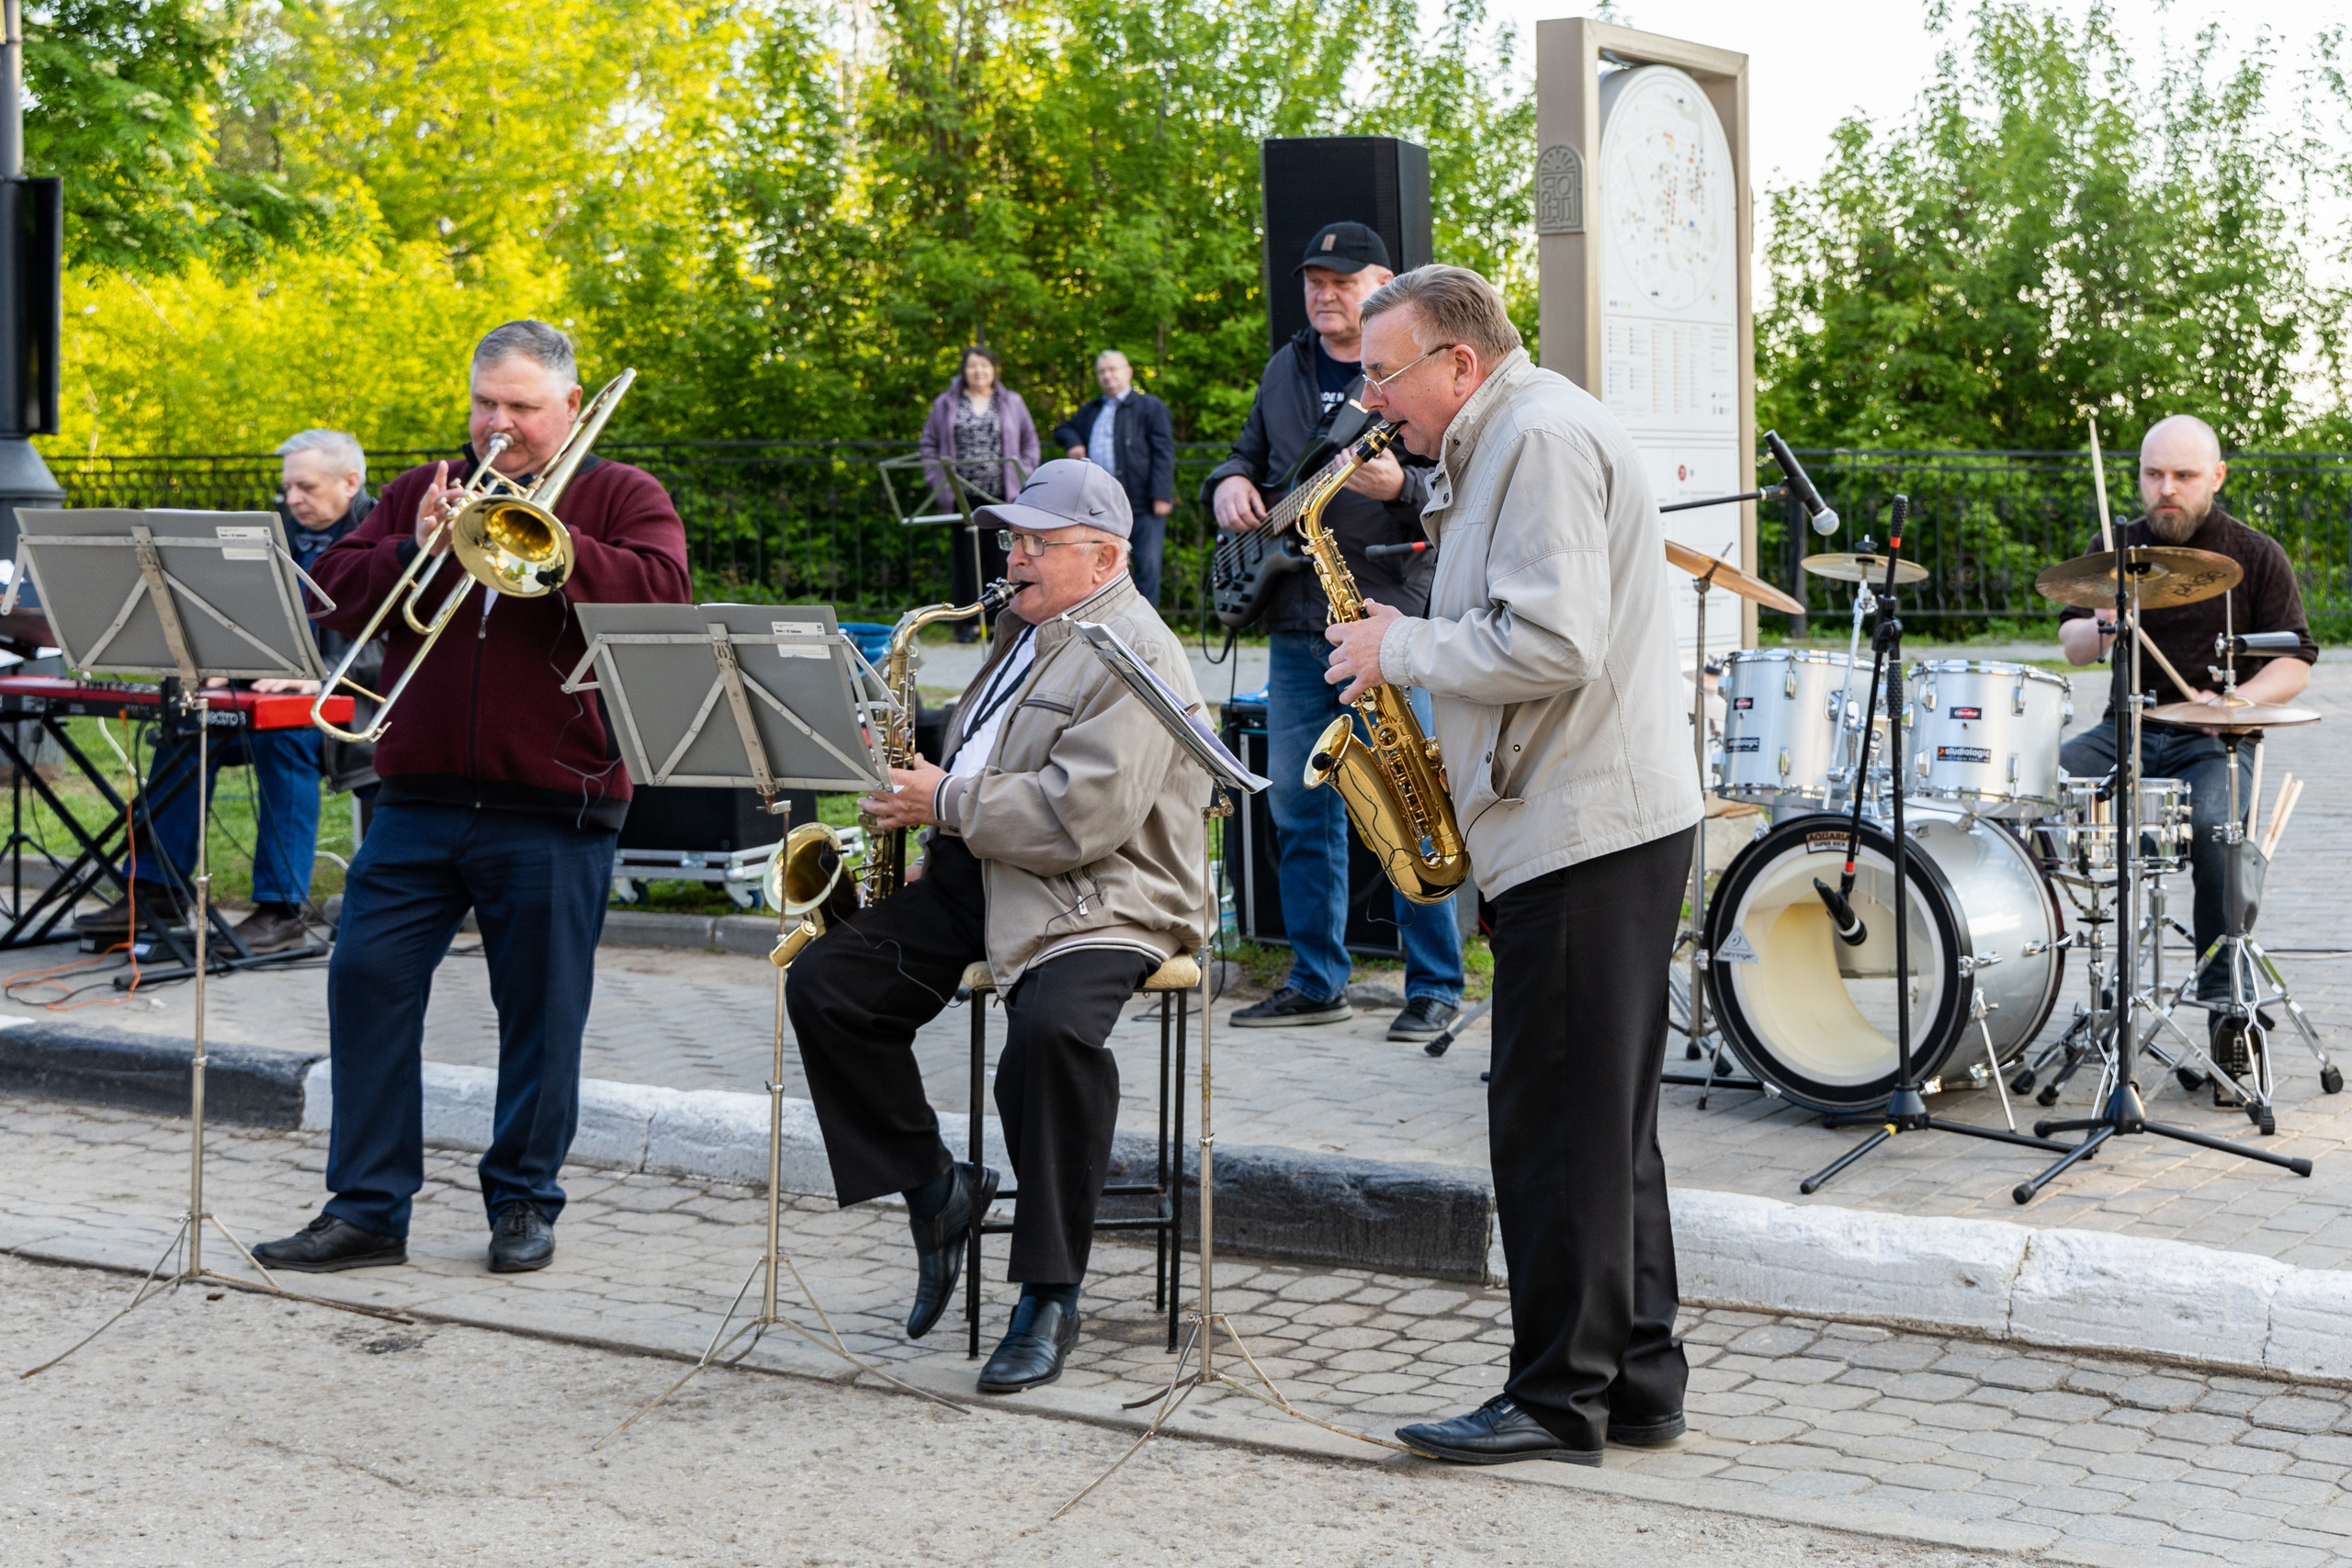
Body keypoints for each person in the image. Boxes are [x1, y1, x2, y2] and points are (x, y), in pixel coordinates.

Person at [1323, 265, 1702, 1464]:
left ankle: (1554, 1397)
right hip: (1596, 821)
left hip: (1583, 822)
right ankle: (1635, 1376)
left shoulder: (1535, 438)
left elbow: (1552, 637)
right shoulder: (1512, 435)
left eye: (1384, 374)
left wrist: (1400, 645)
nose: (1372, 400)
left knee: (1551, 1122)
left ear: (1460, 362)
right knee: (1606, 1124)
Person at [252, 321, 692, 1276]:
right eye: (484, 404)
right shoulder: (423, 488)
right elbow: (333, 594)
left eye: (522, 408)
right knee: (365, 982)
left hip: (554, 802)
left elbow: (664, 595)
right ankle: (368, 1207)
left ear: (568, 408)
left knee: (539, 1012)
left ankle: (523, 1202)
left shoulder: (623, 495)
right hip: (415, 796)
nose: (498, 426)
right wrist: (407, 547)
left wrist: (561, 547)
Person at [786, 459, 1204, 1394]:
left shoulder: (1135, 648)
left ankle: (1049, 1294)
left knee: (1050, 1036)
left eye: (1034, 543)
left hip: (1103, 894)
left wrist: (946, 798)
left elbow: (1081, 815)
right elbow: (993, 754)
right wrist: (913, 774)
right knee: (826, 986)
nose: (1012, 558)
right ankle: (939, 1191)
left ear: (1101, 555)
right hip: (984, 871)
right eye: (1012, 539)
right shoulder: (1027, 627)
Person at [1202, 220, 1464, 1042]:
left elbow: (1456, 480)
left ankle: (1437, 986)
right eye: (1315, 279)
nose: (1323, 293)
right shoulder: (1286, 368)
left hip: (1381, 618)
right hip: (1294, 621)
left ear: (1384, 284)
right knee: (1295, 805)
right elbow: (1242, 456)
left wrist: (1399, 486)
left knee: (1408, 795)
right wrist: (1229, 486)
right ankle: (1317, 979)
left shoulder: (1409, 368)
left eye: (1342, 281)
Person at [2057, 413, 2316, 1103]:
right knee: (2034, 793)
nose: (2165, 489)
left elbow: (2295, 661)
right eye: (2153, 474)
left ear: (2216, 477)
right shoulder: (2115, 547)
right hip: (2128, 729)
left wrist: (2236, 703)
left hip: (2213, 739)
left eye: (2183, 475)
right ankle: (2022, 985)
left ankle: (2230, 1010)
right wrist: (2102, 624)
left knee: (2215, 832)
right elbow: (2074, 646)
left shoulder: (2256, 555)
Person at [74, 429, 381, 955]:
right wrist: (217, 663)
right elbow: (238, 618)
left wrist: (320, 674)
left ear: (350, 481)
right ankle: (156, 888)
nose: (292, 499)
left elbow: (398, 643)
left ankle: (281, 910)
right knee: (183, 729)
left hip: (353, 712)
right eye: (288, 488)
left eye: (305, 487)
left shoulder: (385, 535)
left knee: (283, 739)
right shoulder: (272, 534)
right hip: (261, 698)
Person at [920, 344, 1042, 637]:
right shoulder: (946, 403)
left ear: (994, 370)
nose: (979, 371)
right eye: (973, 366)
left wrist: (1024, 474)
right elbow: (928, 444)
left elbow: (1030, 442)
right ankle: (967, 625)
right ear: (964, 370)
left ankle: (1003, 623)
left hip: (1003, 494)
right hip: (961, 497)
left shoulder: (1012, 401)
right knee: (965, 561)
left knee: (1003, 557)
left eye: (985, 365)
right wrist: (939, 482)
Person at [1053, 349, 1176, 604]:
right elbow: (1063, 429)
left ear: (1128, 372)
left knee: (1147, 567)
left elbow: (1164, 452)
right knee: (1101, 567)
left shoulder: (1150, 407)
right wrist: (1074, 442)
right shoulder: (1093, 409)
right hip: (1100, 506)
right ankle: (1107, 628)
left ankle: (1144, 631)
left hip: (1143, 503)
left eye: (1113, 370)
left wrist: (1161, 493)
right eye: (1102, 372)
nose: (1107, 376)